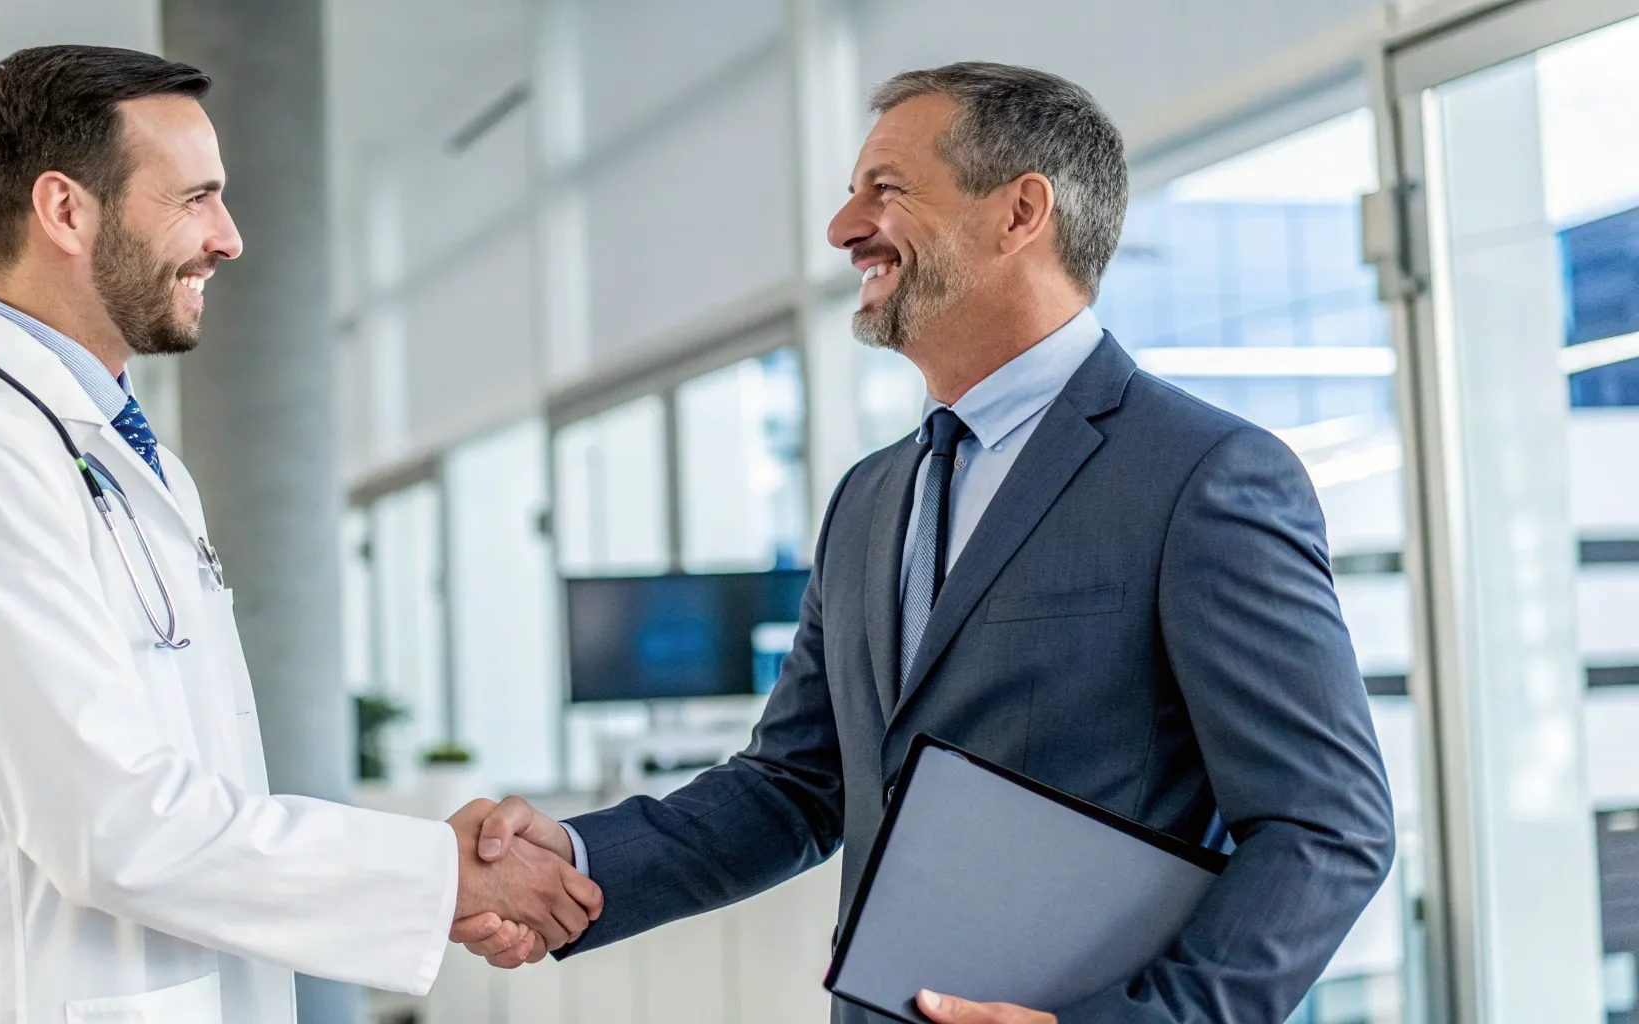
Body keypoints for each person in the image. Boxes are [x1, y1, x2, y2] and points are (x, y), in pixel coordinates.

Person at [458, 62, 1395, 1024]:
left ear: (1021, 211)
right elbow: (793, 786)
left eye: (886, 190)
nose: (842, 227)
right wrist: (572, 863)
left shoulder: (1203, 475)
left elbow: (1326, 827)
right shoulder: (870, 498)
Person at [0, 45, 596, 1024]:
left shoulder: (123, 459)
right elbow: (111, 823)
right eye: (195, 198)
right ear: (64, 211)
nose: (229, 239)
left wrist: (433, 875)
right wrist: (441, 876)